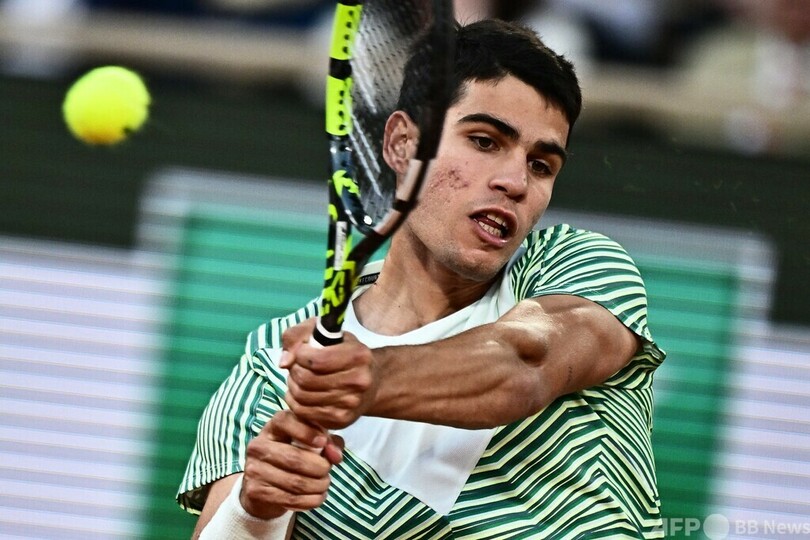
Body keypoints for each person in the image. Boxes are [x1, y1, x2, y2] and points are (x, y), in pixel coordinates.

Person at [178, 18, 666, 539]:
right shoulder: (271, 370)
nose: (516, 181)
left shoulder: (574, 265)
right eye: (484, 141)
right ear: (402, 144)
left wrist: (372, 378)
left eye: (542, 165)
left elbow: (528, 361)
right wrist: (256, 507)